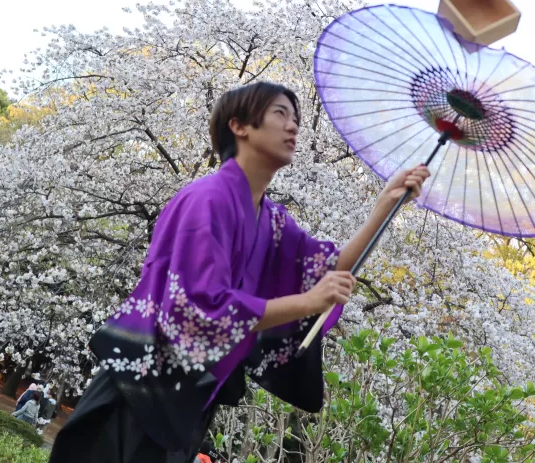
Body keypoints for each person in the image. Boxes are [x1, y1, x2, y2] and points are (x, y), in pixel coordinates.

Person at [49, 81, 430, 463]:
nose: (293, 126)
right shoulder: (207, 199)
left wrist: (384, 205)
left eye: (296, 118)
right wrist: (308, 302)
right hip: (137, 391)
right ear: (239, 125)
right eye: (281, 113)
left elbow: (327, 271)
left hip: (191, 401)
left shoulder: (273, 220)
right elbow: (200, 305)